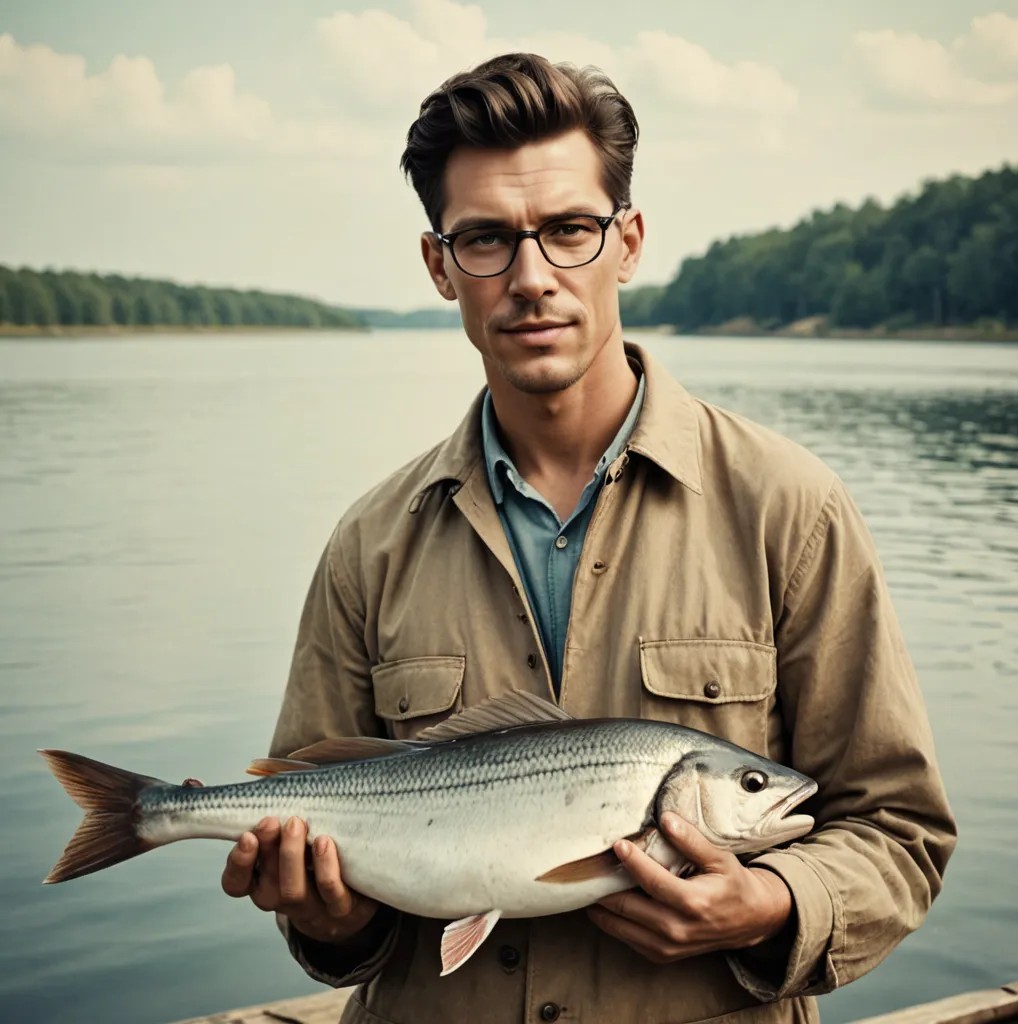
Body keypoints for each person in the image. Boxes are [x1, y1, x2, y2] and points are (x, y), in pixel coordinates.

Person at [220, 53, 956, 1024]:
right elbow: (323, 891)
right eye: (485, 238)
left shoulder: (791, 508)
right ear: (439, 266)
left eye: (569, 230)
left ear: (627, 242)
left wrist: (774, 904)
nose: (531, 279)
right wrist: (330, 918)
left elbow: (898, 829)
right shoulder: (369, 544)